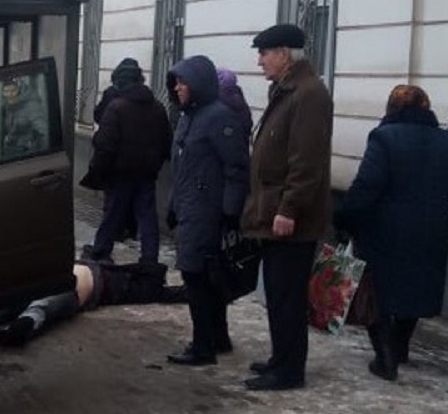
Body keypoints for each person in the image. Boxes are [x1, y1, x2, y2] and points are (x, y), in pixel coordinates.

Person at [333, 85, 448, 381]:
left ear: (390, 108)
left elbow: (367, 185)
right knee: (416, 289)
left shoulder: (384, 138)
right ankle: (399, 347)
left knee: (376, 293)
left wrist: (345, 218)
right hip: (430, 232)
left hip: (384, 232)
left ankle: (385, 357)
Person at [240, 23, 334, 391]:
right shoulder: (288, 91)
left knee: (287, 296)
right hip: (274, 210)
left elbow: (306, 162)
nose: (260, 60)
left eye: (264, 53)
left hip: (290, 218)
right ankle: (281, 358)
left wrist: (289, 209)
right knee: (278, 294)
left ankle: (290, 369)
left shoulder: (308, 94)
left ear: (284, 54)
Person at [164, 55, 250, 366]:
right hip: (190, 205)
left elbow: (237, 167)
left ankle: (203, 346)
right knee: (203, 275)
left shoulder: (219, 118)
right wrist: (172, 204)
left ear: (197, 84)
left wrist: (230, 211)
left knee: (196, 275)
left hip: (208, 209)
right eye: (175, 82)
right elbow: (182, 166)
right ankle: (218, 336)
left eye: (182, 82)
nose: (177, 88)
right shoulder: (189, 117)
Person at [80, 58, 172, 264]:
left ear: (119, 82)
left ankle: (101, 252)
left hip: (119, 173)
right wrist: (154, 165)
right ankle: (150, 258)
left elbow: (105, 144)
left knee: (112, 213)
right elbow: (167, 141)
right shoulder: (157, 107)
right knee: (147, 216)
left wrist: (99, 170)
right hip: (147, 173)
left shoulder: (117, 107)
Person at [0, 259, 185, 348]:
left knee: (39, 306)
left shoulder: (129, 284)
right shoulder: (122, 278)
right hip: (73, 283)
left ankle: (21, 327)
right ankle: (20, 324)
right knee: (29, 304)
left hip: (77, 288)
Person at [0, 77, 47, 157]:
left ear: (19, 90)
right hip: (9, 152)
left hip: (26, 154)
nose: (10, 95)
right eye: (6, 91)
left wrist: (34, 151)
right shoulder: (4, 107)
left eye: (13, 91)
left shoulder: (31, 107)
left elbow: (44, 131)